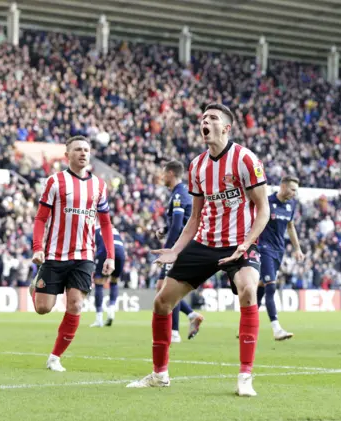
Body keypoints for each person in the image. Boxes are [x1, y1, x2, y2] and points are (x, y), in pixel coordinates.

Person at [127, 103, 269, 397]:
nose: (205, 121)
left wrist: (246, 242)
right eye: (203, 118)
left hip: (240, 241)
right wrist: (175, 250)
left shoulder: (245, 159)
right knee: (161, 302)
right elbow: (194, 218)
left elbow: (263, 209)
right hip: (205, 242)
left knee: (248, 290)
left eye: (212, 118)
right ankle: (159, 374)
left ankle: (245, 377)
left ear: (226, 128)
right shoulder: (197, 166)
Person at [30, 135, 115, 372]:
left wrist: (110, 255)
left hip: (84, 255)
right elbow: (40, 218)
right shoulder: (55, 182)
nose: (83, 153)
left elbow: (106, 223)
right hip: (55, 254)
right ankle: (34, 285)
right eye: (78, 149)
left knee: (76, 305)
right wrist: (38, 248)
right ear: (67, 155)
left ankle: (55, 358)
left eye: (86, 150)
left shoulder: (99, 185)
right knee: (43, 308)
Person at [155, 160, 204, 342]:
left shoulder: (179, 194)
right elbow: (177, 223)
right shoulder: (179, 193)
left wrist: (168, 250)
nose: (162, 176)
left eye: (163, 173)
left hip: (180, 248)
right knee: (161, 287)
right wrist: (165, 230)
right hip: (180, 245)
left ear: (170, 173)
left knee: (167, 287)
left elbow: (178, 225)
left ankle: (174, 332)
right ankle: (191, 316)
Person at [257, 175, 304, 340]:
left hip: (279, 250)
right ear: (283, 187)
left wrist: (297, 248)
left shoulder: (292, 205)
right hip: (264, 248)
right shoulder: (267, 202)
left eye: (296, 190)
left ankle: (247, 323)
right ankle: (276, 328)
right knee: (270, 286)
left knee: (262, 286)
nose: (294, 193)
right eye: (292, 189)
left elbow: (290, 227)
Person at [90, 226, 125, 327]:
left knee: (99, 282)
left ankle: (99, 318)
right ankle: (111, 310)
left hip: (106, 250)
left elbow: (92, 246)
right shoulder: (114, 228)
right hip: (121, 252)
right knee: (114, 281)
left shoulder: (95, 229)